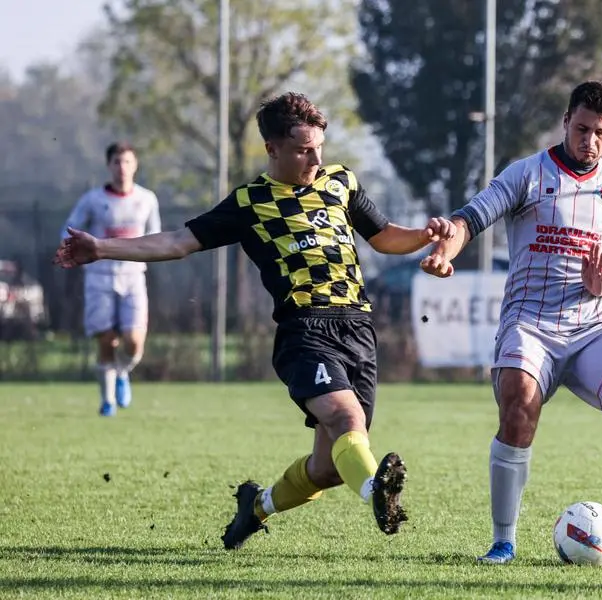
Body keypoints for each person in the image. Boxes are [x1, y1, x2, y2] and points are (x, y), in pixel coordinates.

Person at [55, 92, 456, 548]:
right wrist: (102, 248)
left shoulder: (340, 182)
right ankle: (377, 494)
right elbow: (175, 242)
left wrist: (425, 234)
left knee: (326, 469)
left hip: (359, 331)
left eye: (319, 147)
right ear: (273, 148)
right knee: (348, 422)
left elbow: (385, 238)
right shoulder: (250, 202)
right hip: (306, 332)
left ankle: (257, 506)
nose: (316, 157)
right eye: (304, 149)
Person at [420, 81, 602, 564]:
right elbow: (472, 217)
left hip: (593, 323)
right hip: (530, 323)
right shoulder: (526, 174)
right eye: (582, 129)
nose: (590, 141)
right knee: (518, 404)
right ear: (566, 121)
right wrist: (446, 249)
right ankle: (503, 541)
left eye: (601, 134)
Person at [62, 142, 161, 416]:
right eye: (117, 162)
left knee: (134, 341)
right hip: (99, 277)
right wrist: (68, 248)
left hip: (133, 277)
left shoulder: (146, 199)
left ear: (135, 165)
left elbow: (156, 237)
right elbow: (69, 230)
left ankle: (122, 372)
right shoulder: (93, 200)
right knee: (106, 339)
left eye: (127, 162)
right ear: (109, 166)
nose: (122, 168)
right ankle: (107, 402)